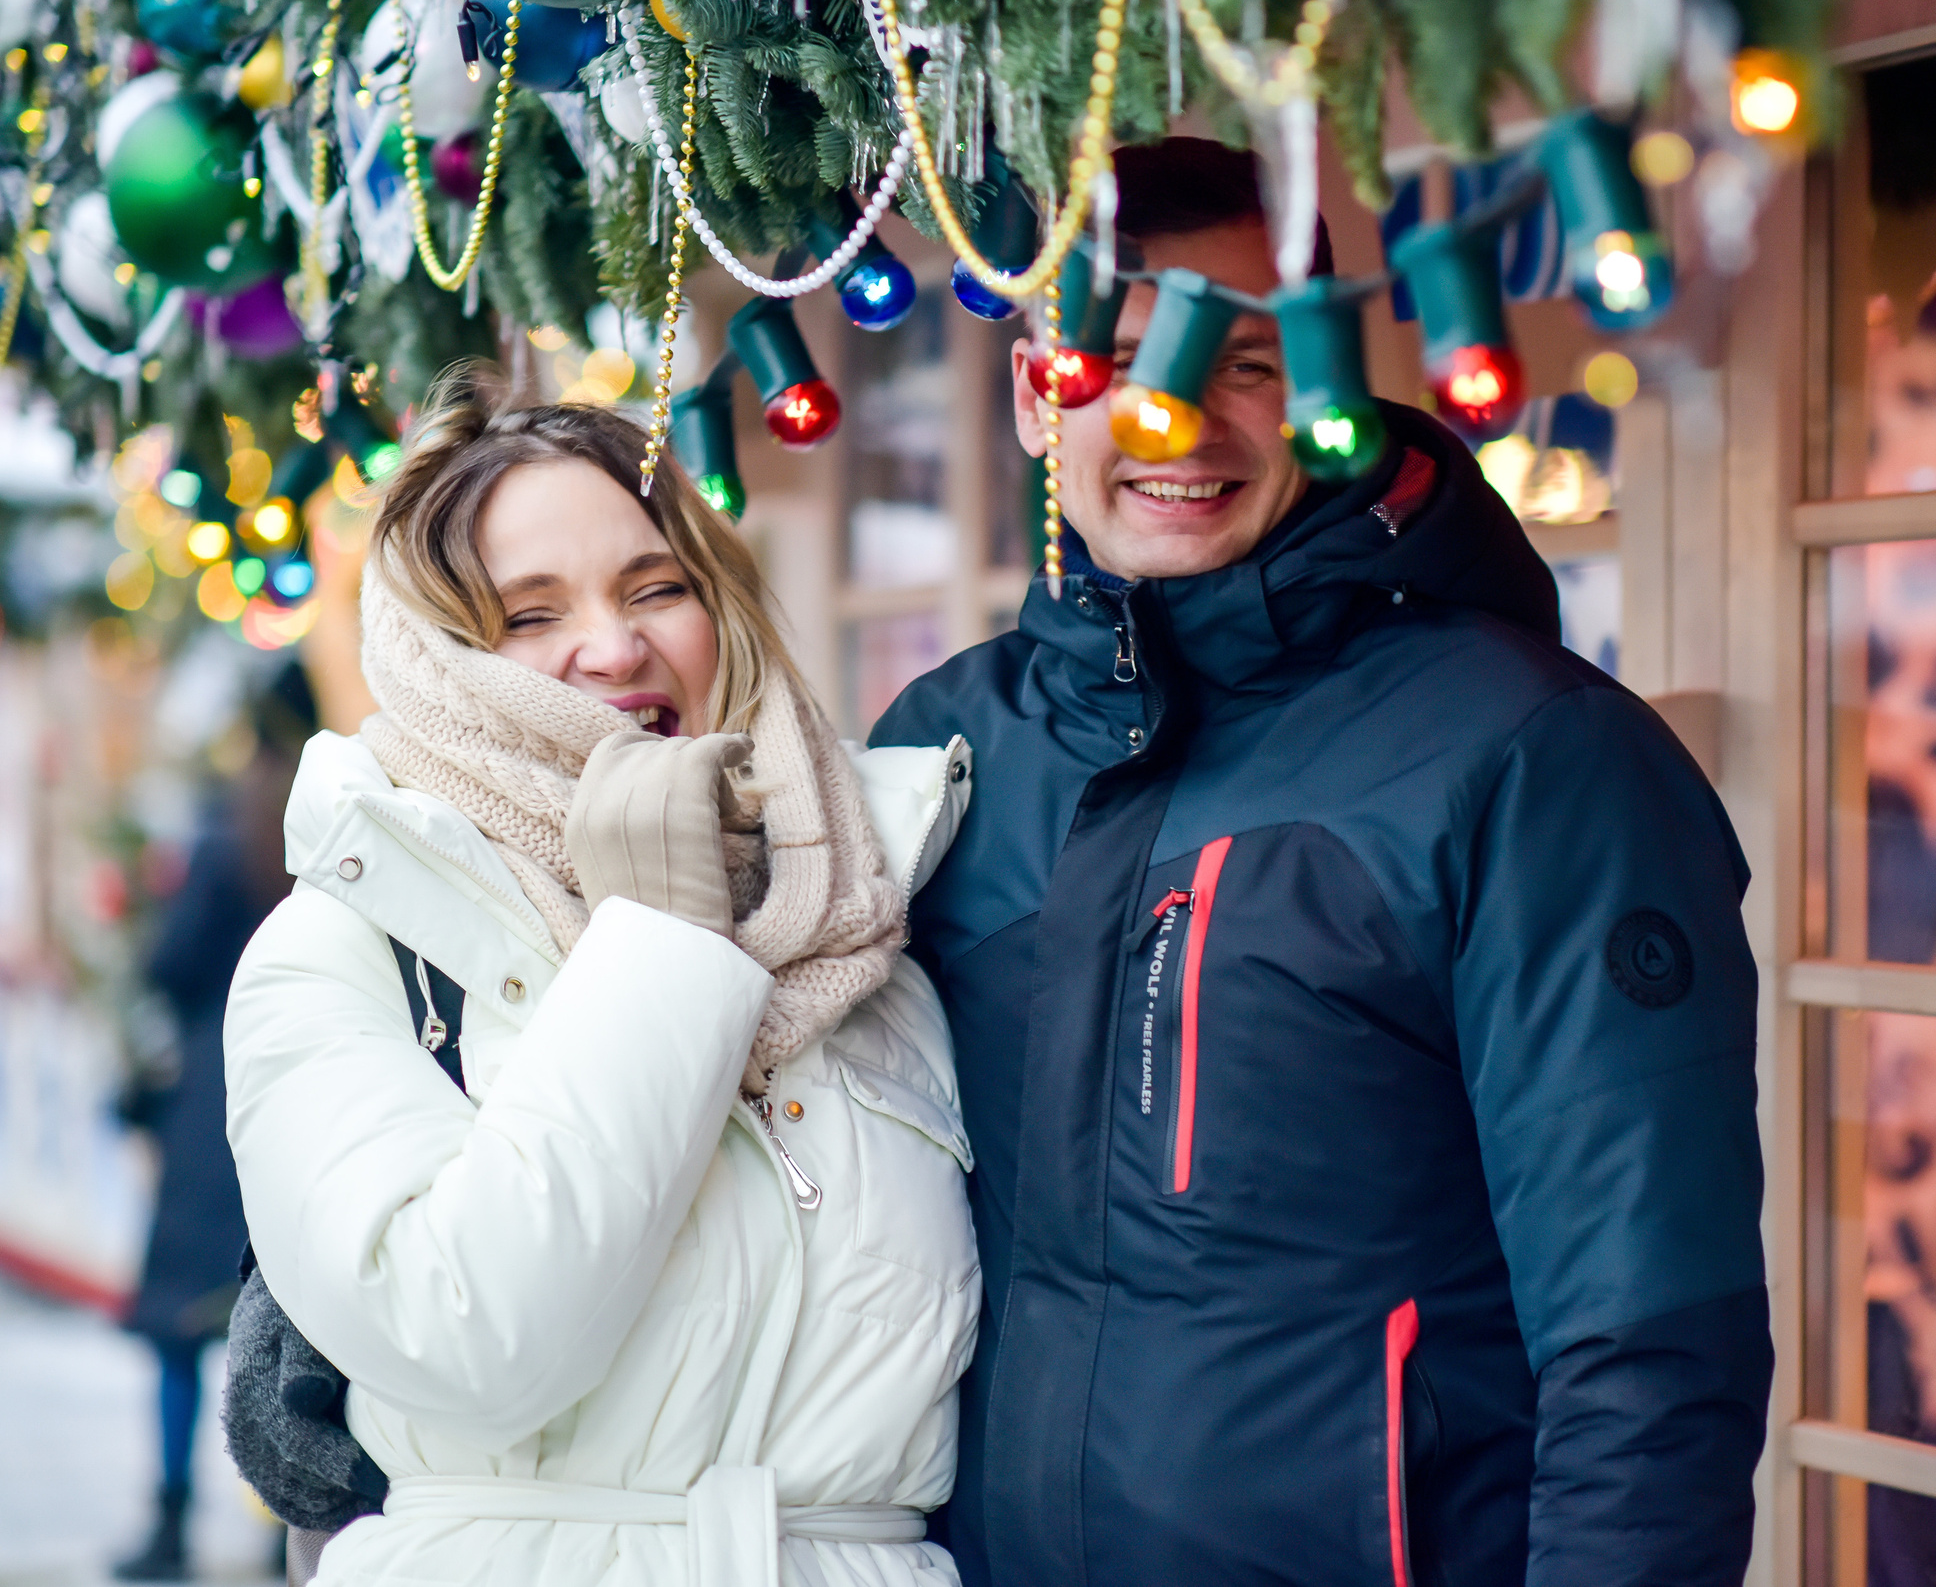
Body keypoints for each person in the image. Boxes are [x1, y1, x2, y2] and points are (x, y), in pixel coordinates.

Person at [870, 138, 1771, 1585]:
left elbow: (1650, 1344)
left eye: (1251, 364)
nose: (1183, 420)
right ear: (1038, 396)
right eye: (1117, 358)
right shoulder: (945, 748)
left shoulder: (1526, 757)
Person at [221, 374, 982, 1587]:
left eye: (657, 587)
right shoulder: (342, 947)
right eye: (529, 615)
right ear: (442, 662)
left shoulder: (867, 918)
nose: (615, 645)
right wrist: (661, 936)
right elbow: (474, 1338)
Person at [112, 668, 311, 1582]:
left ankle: (169, 1521)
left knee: (183, 1325)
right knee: (291, 1327)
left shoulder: (226, 827)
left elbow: (171, 962)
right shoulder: (336, 825)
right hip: (307, 1090)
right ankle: (288, 1529)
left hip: (209, 1107)